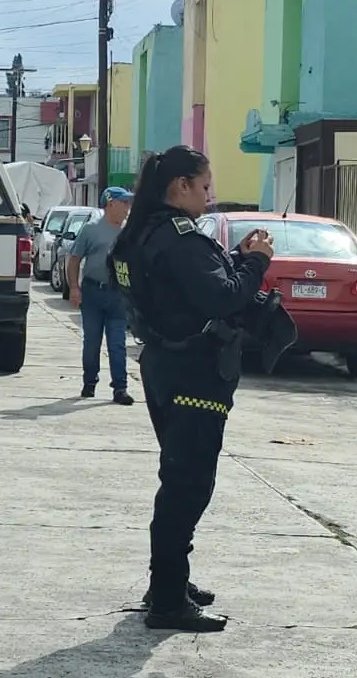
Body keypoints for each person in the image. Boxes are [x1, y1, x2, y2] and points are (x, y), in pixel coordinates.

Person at [107, 146, 273, 632]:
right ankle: (167, 602)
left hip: (161, 365)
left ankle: (170, 581)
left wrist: (234, 260)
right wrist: (256, 263)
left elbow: (179, 288)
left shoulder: (139, 233)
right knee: (188, 486)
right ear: (179, 186)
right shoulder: (180, 238)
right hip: (194, 373)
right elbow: (221, 297)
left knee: (179, 477)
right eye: (204, 187)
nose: (209, 196)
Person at [67, 187, 135, 405]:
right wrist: (74, 288)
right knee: (92, 341)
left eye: (128, 203)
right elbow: (75, 259)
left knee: (117, 343)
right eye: (123, 203)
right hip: (93, 292)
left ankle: (120, 388)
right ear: (110, 204)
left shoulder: (128, 233)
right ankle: (89, 382)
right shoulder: (91, 230)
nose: (127, 208)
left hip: (118, 295)